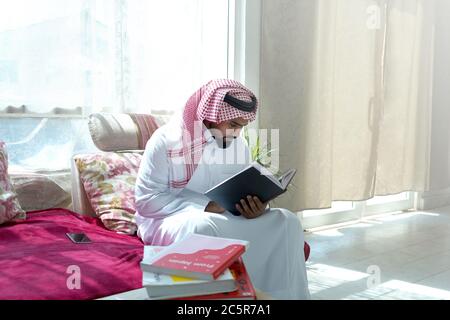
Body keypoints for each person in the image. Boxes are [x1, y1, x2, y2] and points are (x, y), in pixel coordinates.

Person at [135, 79, 310, 299]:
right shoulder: (164, 141)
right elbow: (146, 201)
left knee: (286, 221)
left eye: (242, 127)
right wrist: (205, 206)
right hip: (169, 217)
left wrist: (256, 206)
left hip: (226, 213)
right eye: (234, 125)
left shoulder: (237, 144)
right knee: (202, 226)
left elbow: (245, 184)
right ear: (211, 115)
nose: (237, 133)